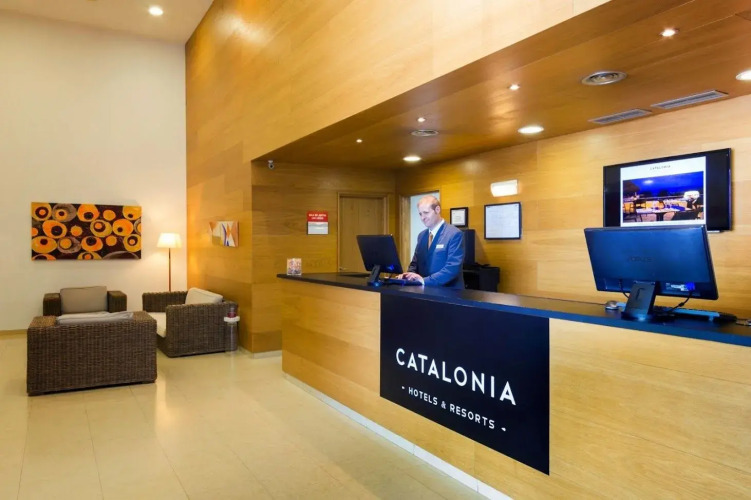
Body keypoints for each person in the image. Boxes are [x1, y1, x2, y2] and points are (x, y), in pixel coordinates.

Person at [399, 195, 465, 288]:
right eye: (420, 214)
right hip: (424, 291)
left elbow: (452, 268)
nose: (423, 217)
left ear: (437, 210)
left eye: (426, 213)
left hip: (449, 292)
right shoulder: (421, 236)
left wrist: (424, 281)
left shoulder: (454, 234)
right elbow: (415, 264)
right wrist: (408, 276)